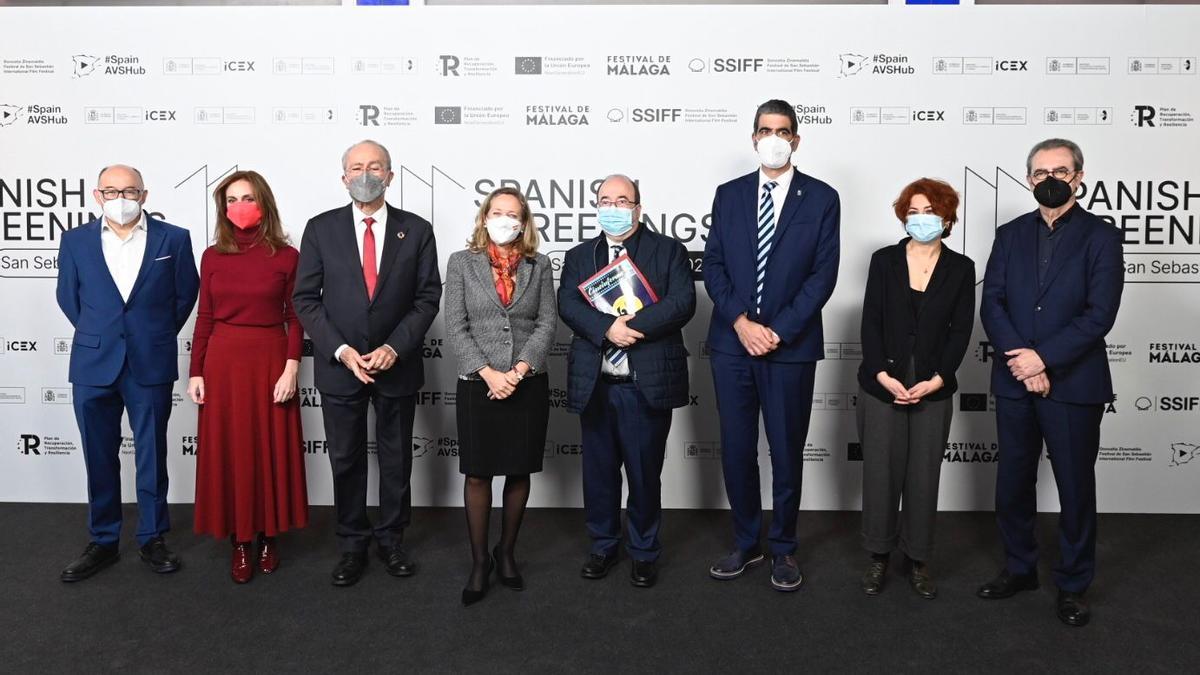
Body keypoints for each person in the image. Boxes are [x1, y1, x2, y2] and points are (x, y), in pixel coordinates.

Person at [977, 139, 1124, 627]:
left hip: (1074, 383)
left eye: (1060, 170)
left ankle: (1074, 584)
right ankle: (1020, 569)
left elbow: (1099, 314)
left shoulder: (1101, 237)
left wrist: (1043, 359)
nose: (1050, 178)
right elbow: (992, 303)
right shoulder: (1010, 234)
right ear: (1028, 179)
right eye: (1040, 173)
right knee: (1013, 484)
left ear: (1079, 176)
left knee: (1075, 487)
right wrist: (1023, 362)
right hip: (1015, 380)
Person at [703, 99, 840, 592]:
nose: (774, 137)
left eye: (783, 130)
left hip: (791, 347)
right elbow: (712, 265)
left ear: (797, 139)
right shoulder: (729, 194)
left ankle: (783, 547)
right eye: (765, 129)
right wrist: (740, 322)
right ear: (754, 137)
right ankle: (746, 542)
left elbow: (822, 276)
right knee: (738, 450)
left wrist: (777, 330)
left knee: (785, 451)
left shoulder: (822, 199)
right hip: (731, 343)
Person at [293, 140, 442, 587]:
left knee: (396, 457)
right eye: (356, 167)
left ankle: (392, 539)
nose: (365, 173)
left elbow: (427, 297)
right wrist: (341, 350)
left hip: (396, 363)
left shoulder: (416, 230)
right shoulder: (320, 229)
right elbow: (306, 299)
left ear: (391, 175)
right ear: (343, 178)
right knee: (345, 458)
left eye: (374, 166)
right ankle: (352, 542)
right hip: (341, 365)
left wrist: (394, 347)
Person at [55, 164, 200, 581]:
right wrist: (102, 334)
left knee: (151, 454)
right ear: (98, 195)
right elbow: (69, 298)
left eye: (130, 190)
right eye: (112, 190)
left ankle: (152, 537)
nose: (122, 198)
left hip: (148, 360)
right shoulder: (76, 241)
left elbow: (184, 295)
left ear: (145, 195)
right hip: (92, 363)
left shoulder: (174, 238)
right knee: (98, 455)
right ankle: (103, 540)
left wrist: (149, 334)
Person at [558, 174, 696, 589]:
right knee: (598, 473)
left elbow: (682, 302)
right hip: (596, 382)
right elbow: (567, 301)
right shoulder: (581, 255)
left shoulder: (667, 250)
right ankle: (602, 545)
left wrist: (628, 327)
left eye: (623, 200)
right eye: (605, 200)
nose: (613, 207)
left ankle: (644, 551)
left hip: (645, 382)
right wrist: (606, 330)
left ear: (638, 208)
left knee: (643, 473)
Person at [856, 178, 975, 599]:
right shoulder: (884, 260)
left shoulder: (962, 268)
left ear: (947, 219)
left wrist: (939, 378)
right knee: (881, 474)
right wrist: (880, 375)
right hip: (881, 383)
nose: (921, 219)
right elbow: (870, 321)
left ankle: (920, 559)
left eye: (930, 212)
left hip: (933, 385)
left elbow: (961, 331)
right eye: (914, 212)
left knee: (924, 477)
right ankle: (878, 556)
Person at [187, 170, 308, 584]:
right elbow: (204, 316)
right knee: (232, 450)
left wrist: (292, 367)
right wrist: (196, 371)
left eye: (248, 197)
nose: (239, 205)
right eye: (232, 198)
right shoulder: (212, 255)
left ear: (265, 204)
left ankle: (269, 535)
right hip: (222, 362)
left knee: (269, 449)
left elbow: (297, 318)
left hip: (271, 360)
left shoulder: (288, 257)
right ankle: (239, 541)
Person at [443, 187, 556, 606]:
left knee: (518, 471)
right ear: (484, 217)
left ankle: (505, 553)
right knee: (477, 474)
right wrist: (489, 373)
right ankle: (478, 561)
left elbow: (547, 324)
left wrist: (519, 371)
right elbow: (455, 324)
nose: (505, 219)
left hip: (528, 382)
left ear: (524, 222)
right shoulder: (461, 263)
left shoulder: (539, 264)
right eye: (498, 212)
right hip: (478, 382)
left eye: (514, 214)